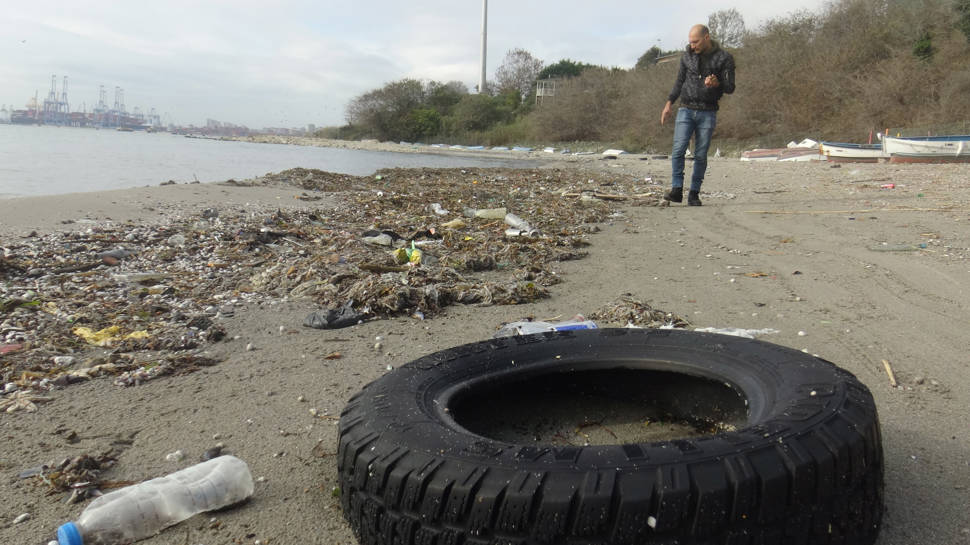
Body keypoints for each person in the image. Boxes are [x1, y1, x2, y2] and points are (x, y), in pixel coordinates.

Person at [660, 24, 736, 206]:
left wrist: (717, 83)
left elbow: (730, 87)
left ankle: (694, 194)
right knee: (678, 151)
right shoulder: (687, 57)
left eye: (695, 42)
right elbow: (679, 81)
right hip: (685, 108)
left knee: (700, 155)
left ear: (706, 37)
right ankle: (676, 190)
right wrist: (668, 104)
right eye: (690, 42)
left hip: (708, 111)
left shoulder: (724, 58)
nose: (692, 45)